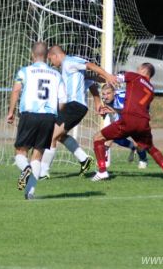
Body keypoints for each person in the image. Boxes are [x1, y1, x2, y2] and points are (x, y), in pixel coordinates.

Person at [91, 63, 163, 182]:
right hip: (143, 122)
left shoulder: (135, 77)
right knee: (150, 147)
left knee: (98, 137)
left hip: (129, 119)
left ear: (143, 70)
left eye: (138, 68)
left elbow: (113, 78)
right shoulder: (151, 89)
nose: (137, 70)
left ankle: (102, 171)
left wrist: (94, 76)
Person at [39, 45, 116, 179]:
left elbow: (91, 65)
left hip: (74, 106)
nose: (51, 63)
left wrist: (108, 76)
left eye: (50, 59)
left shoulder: (70, 61)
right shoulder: (69, 69)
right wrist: (97, 101)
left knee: (51, 135)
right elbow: (90, 81)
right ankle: (84, 159)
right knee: (59, 135)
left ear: (55, 55)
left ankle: (43, 173)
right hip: (72, 106)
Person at [7, 42, 66, 200]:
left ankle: (25, 168)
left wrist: (11, 112)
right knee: (38, 155)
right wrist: (55, 113)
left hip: (29, 115)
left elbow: (16, 90)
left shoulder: (25, 71)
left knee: (20, 152)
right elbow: (63, 101)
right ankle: (30, 193)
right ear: (47, 56)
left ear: (32, 55)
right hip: (48, 117)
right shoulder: (56, 75)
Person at [99, 83, 148, 168]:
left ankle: (143, 159)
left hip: (137, 115)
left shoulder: (121, 99)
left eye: (108, 93)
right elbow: (115, 118)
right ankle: (132, 147)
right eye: (103, 94)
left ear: (114, 93)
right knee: (113, 136)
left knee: (137, 142)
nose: (105, 96)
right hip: (124, 115)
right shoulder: (106, 100)